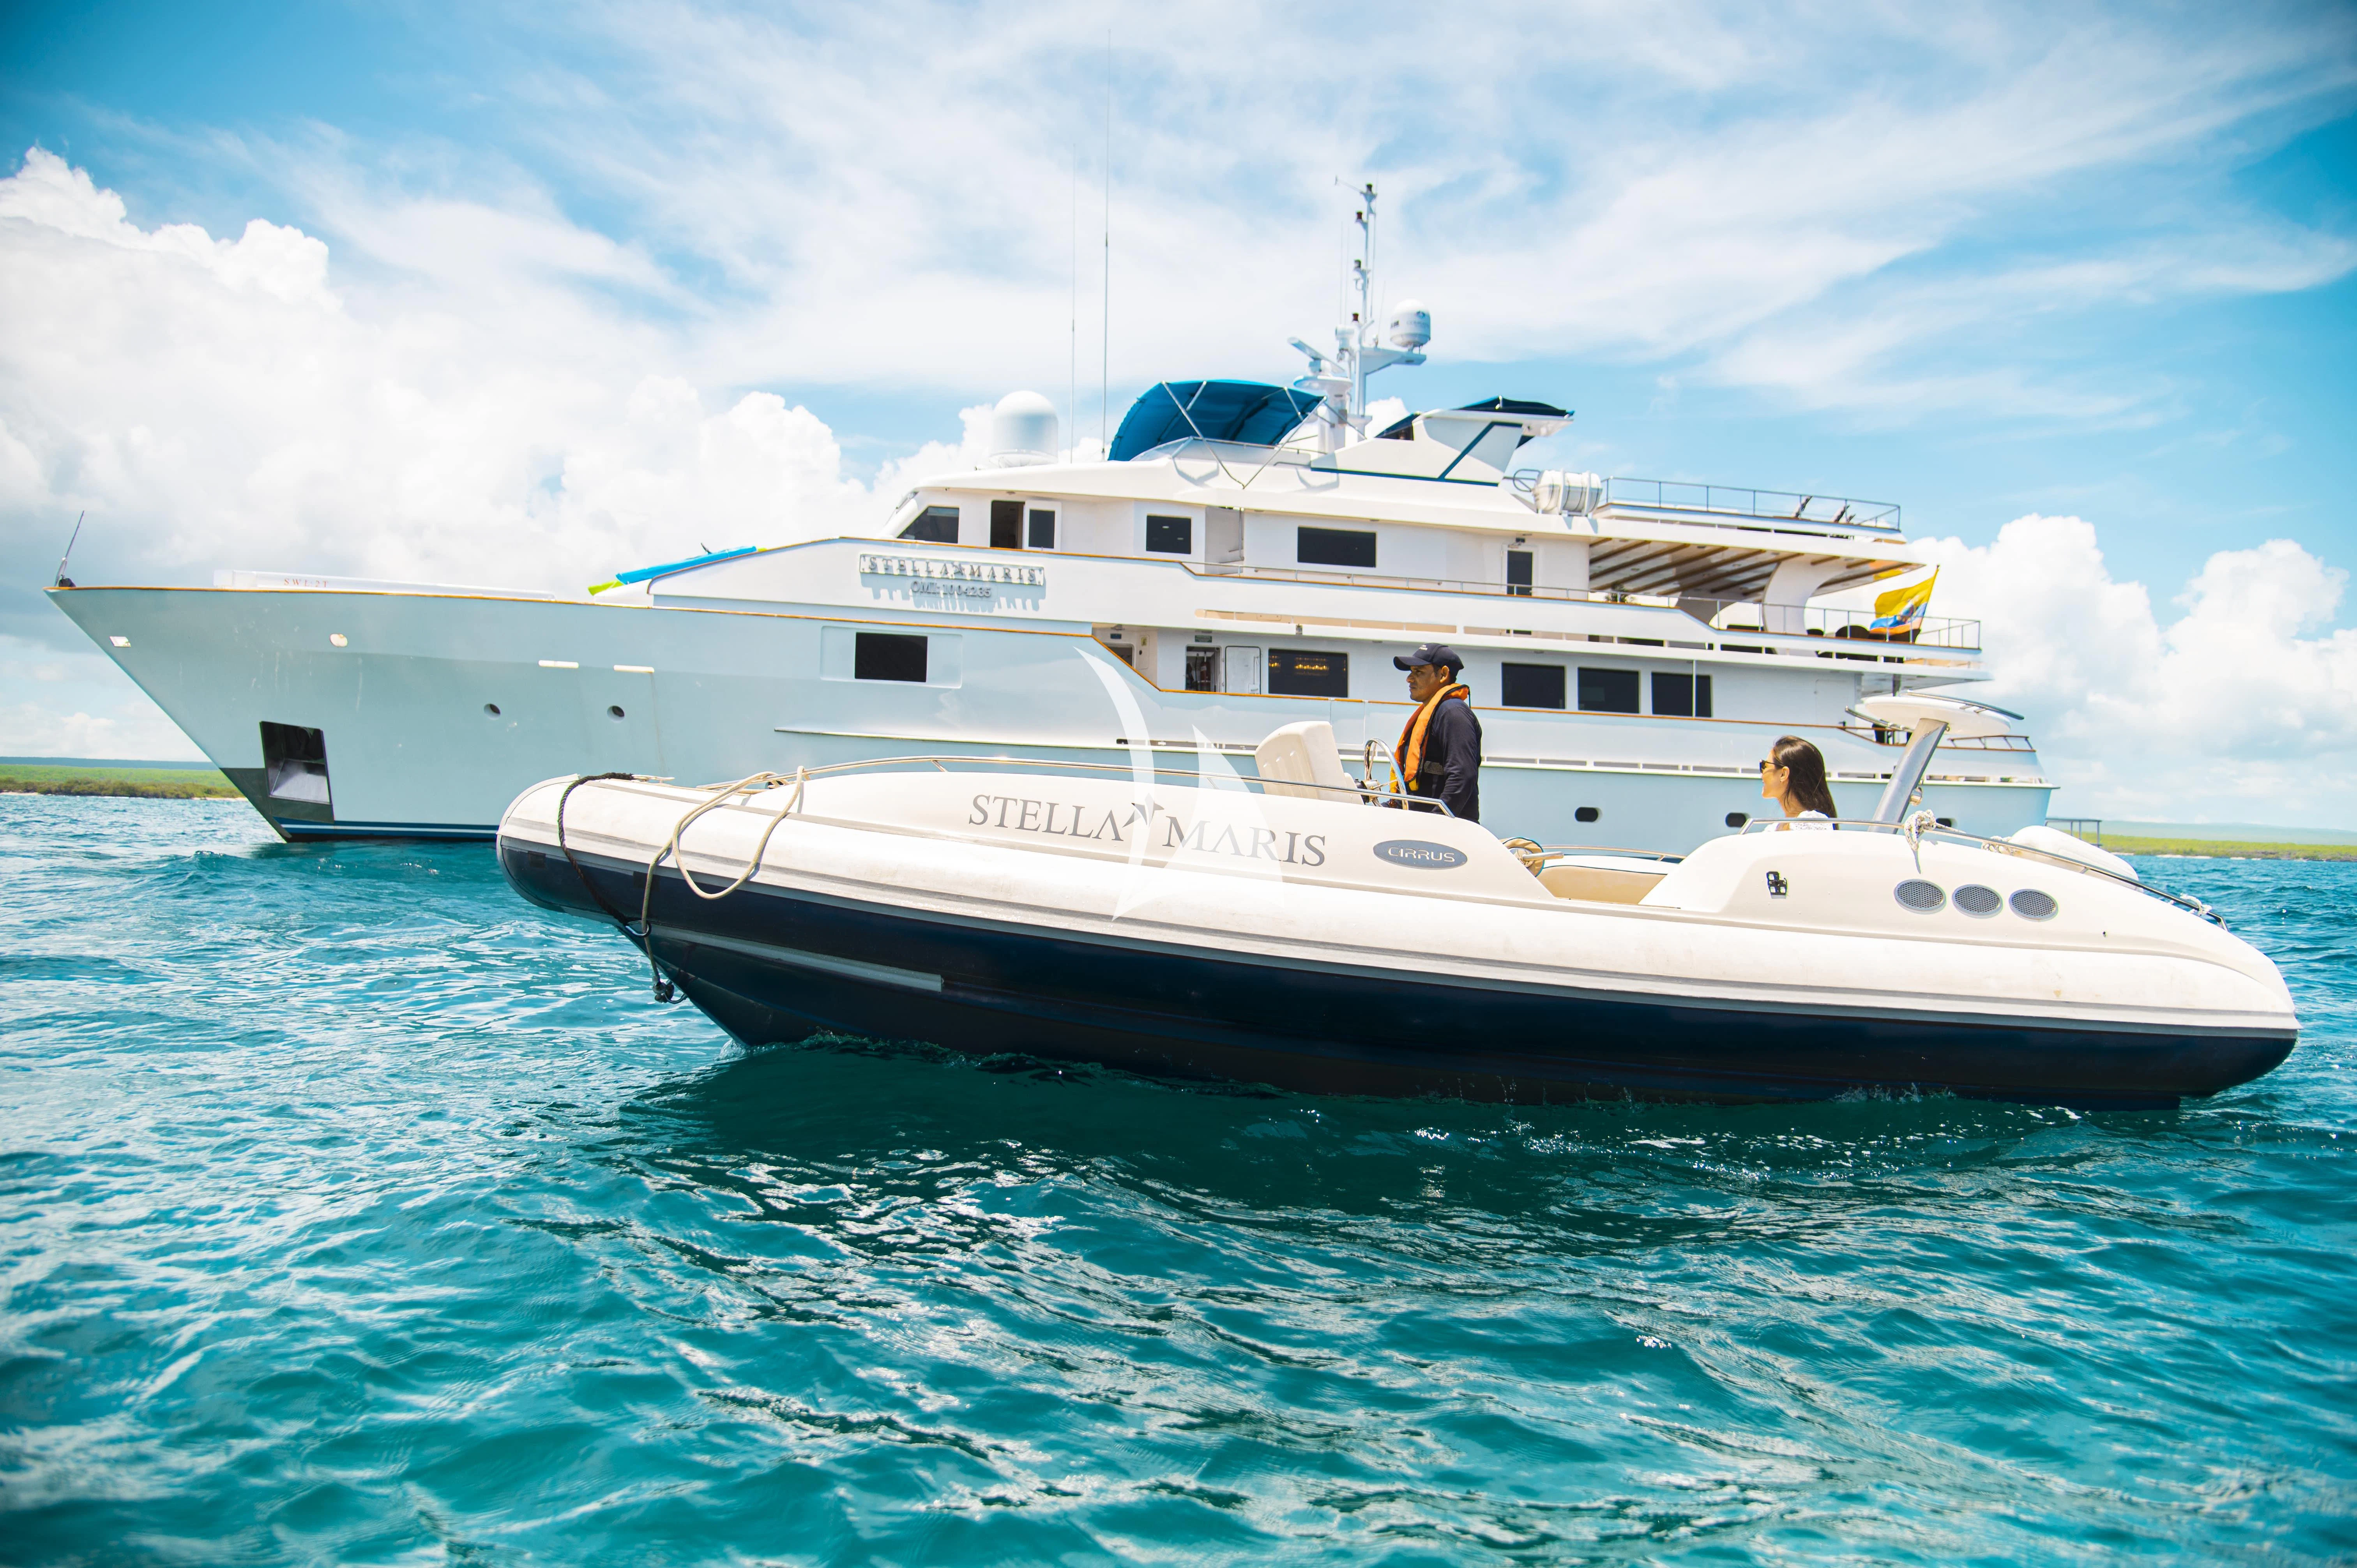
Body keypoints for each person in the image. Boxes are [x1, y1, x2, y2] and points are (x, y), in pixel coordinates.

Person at [1389, 643, 1482, 822]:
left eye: (1419, 672)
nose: (1409, 679)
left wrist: (1437, 824)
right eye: (1411, 672)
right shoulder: (1433, 713)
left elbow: (1462, 777)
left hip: (1446, 837)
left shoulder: (1453, 713)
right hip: (1422, 828)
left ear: (1443, 675)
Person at [1759, 735, 1838, 828]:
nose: (1762, 774)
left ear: (1783, 774)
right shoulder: (1776, 827)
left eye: (1765, 766)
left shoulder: (1810, 823)